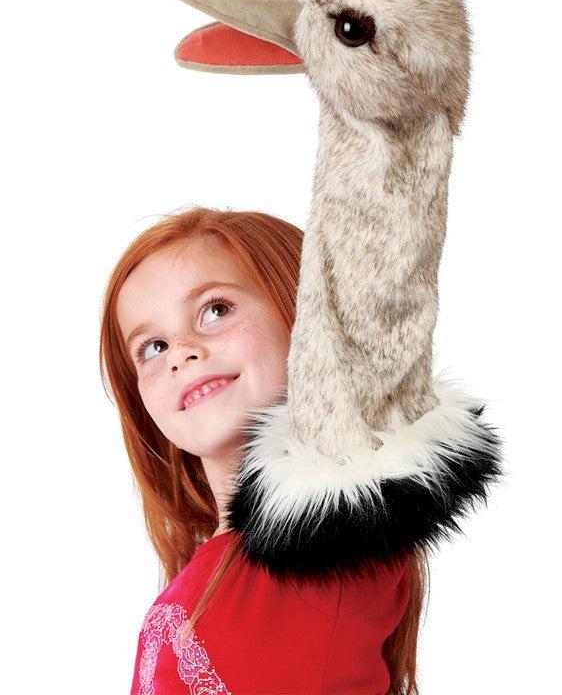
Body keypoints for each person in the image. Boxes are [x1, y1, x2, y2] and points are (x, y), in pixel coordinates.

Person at [99, 205, 426, 695]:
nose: (182, 352)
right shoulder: (204, 575)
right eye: (153, 346)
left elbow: (387, 248)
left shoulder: (332, 542)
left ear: (306, 321)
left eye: (216, 310)